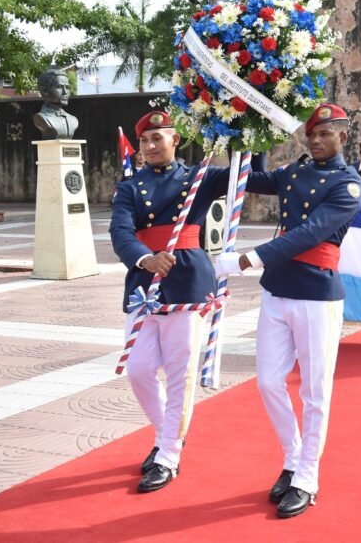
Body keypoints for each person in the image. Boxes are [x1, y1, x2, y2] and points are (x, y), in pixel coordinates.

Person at [214, 103, 361, 518]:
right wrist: (250, 130)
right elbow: (249, 178)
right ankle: (293, 457)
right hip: (278, 289)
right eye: (311, 134)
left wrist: (246, 260)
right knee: (267, 382)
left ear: (342, 137)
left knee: (314, 391)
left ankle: (307, 476)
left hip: (316, 293)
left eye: (324, 134)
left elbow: (309, 233)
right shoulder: (294, 172)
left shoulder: (349, 184)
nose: (315, 141)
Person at [109, 110, 236, 493]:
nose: (149, 146)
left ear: (175, 139)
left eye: (157, 138)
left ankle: (168, 454)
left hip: (187, 280)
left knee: (180, 374)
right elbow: (120, 232)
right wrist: (145, 258)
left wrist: (249, 136)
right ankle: (170, 434)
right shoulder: (129, 187)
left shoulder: (200, 176)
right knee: (139, 369)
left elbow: (251, 176)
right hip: (145, 283)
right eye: (144, 141)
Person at [32, 68, 79, 139]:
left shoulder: (73, 120)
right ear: (44, 91)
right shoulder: (41, 118)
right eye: (60, 87)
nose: (65, 92)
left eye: (67, 87)